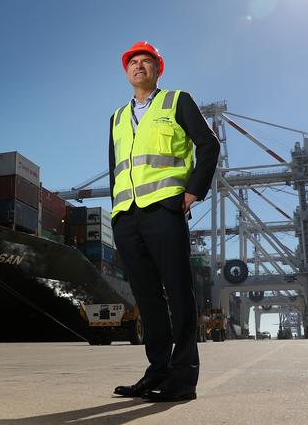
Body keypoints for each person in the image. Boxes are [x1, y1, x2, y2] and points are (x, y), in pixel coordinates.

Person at [109, 41, 220, 402]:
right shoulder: (116, 118)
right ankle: (157, 371)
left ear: (158, 69)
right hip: (127, 216)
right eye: (133, 62)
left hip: (164, 209)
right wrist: (115, 207)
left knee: (177, 291)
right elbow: (116, 169)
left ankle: (183, 378)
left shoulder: (177, 101)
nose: (139, 66)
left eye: (146, 61)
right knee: (147, 298)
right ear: (127, 72)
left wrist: (193, 192)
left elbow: (208, 145)